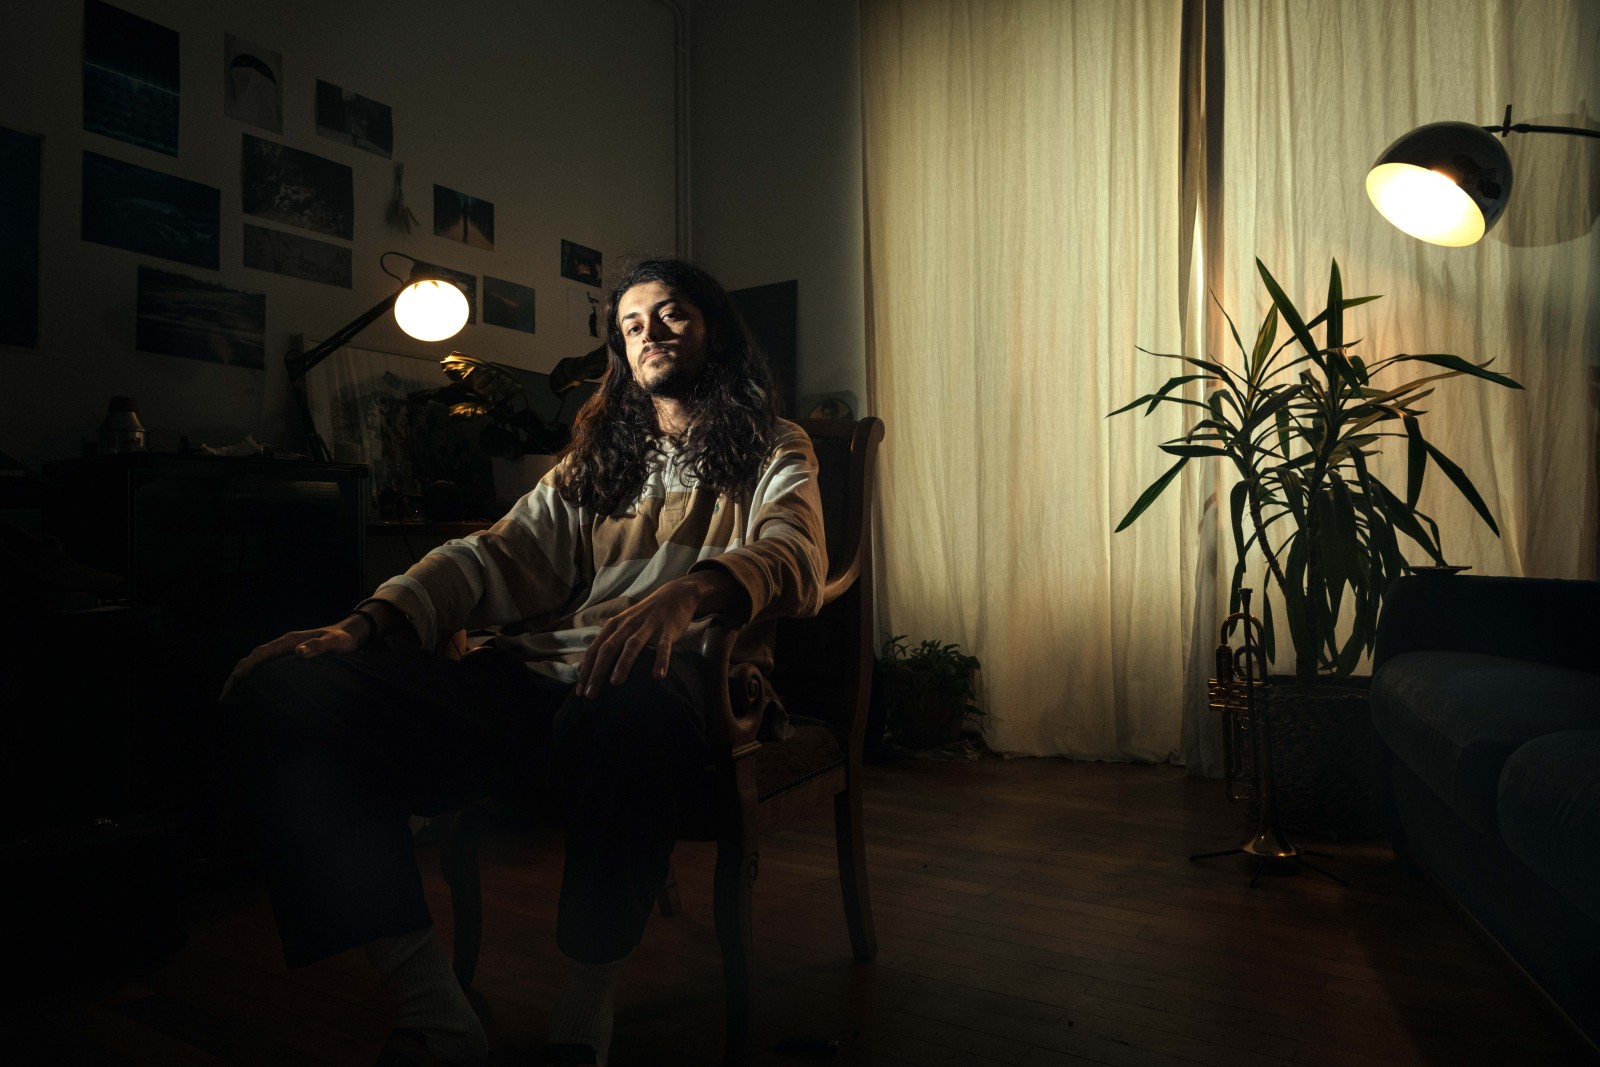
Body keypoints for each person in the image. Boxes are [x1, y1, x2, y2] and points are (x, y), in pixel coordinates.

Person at [221, 257, 827, 1067]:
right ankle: (434, 1010)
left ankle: (580, 1022)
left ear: (714, 329)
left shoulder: (773, 444)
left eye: (672, 314)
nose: (650, 333)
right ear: (622, 352)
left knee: (633, 704)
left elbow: (796, 553)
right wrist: (365, 624)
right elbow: (494, 554)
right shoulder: (599, 460)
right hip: (537, 683)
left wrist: (689, 592)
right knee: (284, 690)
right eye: (633, 324)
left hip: (669, 688)